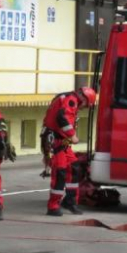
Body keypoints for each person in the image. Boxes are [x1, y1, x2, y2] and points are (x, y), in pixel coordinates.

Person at [42, 86, 97, 216]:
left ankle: (70, 201)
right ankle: (53, 206)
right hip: (55, 142)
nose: (83, 108)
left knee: (74, 168)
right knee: (60, 172)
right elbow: (61, 118)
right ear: (84, 98)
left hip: (62, 142)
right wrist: (72, 135)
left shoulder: (68, 99)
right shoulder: (71, 100)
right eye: (86, 105)